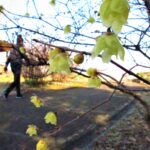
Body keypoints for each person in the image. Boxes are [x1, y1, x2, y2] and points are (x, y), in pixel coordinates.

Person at [3, 35, 29, 99]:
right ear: (20, 41)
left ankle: (18, 94)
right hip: (17, 65)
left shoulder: (13, 48)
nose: (22, 42)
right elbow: (24, 56)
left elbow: (9, 58)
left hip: (12, 65)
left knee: (17, 80)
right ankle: (7, 91)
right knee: (16, 80)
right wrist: (28, 61)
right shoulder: (21, 47)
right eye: (22, 41)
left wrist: (6, 65)